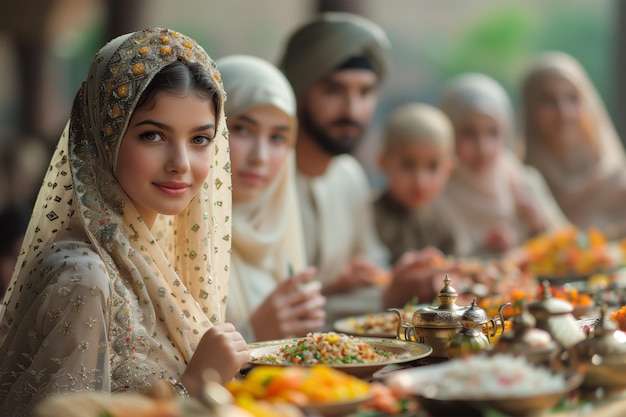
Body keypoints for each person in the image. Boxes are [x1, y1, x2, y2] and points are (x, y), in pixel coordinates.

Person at [0, 28, 249, 416]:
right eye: (152, 135)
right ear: (103, 138)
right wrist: (193, 386)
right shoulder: (83, 278)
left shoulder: (160, 247)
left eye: (200, 139)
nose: (181, 163)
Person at [277, 12, 391, 324]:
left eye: (365, 92)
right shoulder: (259, 178)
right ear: (297, 92)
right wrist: (387, 295)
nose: (352, 110)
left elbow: (372, 264)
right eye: (333, 90)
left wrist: (379, 279)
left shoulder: (349, 175)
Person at [216, 54, 326, 342]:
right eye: (241, 129)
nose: (260, 157)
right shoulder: (174, 239)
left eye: (278, 137)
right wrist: (251, 334)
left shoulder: (277, 229)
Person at [439, 73, 569, 257]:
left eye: (493, 133)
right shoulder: (437, 192)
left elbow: (570, 247)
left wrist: (537, 225)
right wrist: (483, 248)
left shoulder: (525, 182)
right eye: (469, 133)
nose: (482, 148)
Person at [520, 51, 626, 240]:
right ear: (530, 109)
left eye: (572, 98)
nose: (564, 113)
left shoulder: (615, 179)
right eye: (548, 100)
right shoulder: (516, 180)